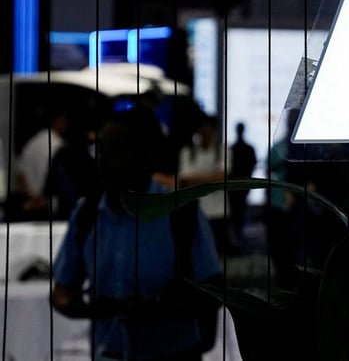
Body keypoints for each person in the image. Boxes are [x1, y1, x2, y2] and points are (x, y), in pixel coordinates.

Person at [51, 107, 222, 361]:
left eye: (117, 148)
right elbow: (62, 291)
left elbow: (213, 290)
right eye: (101, 148)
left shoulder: (181, 214)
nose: (104, 158)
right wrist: (90, 309)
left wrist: (159, 307)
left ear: (145, 156)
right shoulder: (87, 214)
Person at [178, 114, 229, 254]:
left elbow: (222, 176)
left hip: (218, 211)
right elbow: (184, 179)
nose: (205, 132)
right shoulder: (188, 151)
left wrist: (196, 178)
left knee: (216, 250)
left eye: (209, 129)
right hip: (195, 209)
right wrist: (211, 178)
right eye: (203, 128)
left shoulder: (223, 151)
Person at [13, 109, 69, 218]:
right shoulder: (59, 145)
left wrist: (32, 198)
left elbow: (19, 175)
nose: (65, 125)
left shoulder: (31, 143)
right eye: (64, 121)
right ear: (57, 121)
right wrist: (40, 199)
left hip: (30, 205)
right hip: (49, 208)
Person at [228, 122, 257, 250]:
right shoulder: (246, 148)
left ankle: (237, 236)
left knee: (236, 211)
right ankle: (237, 235)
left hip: (236, 185)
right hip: (241, 184)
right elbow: (253, 164)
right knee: (238, 211)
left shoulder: (232, 148)